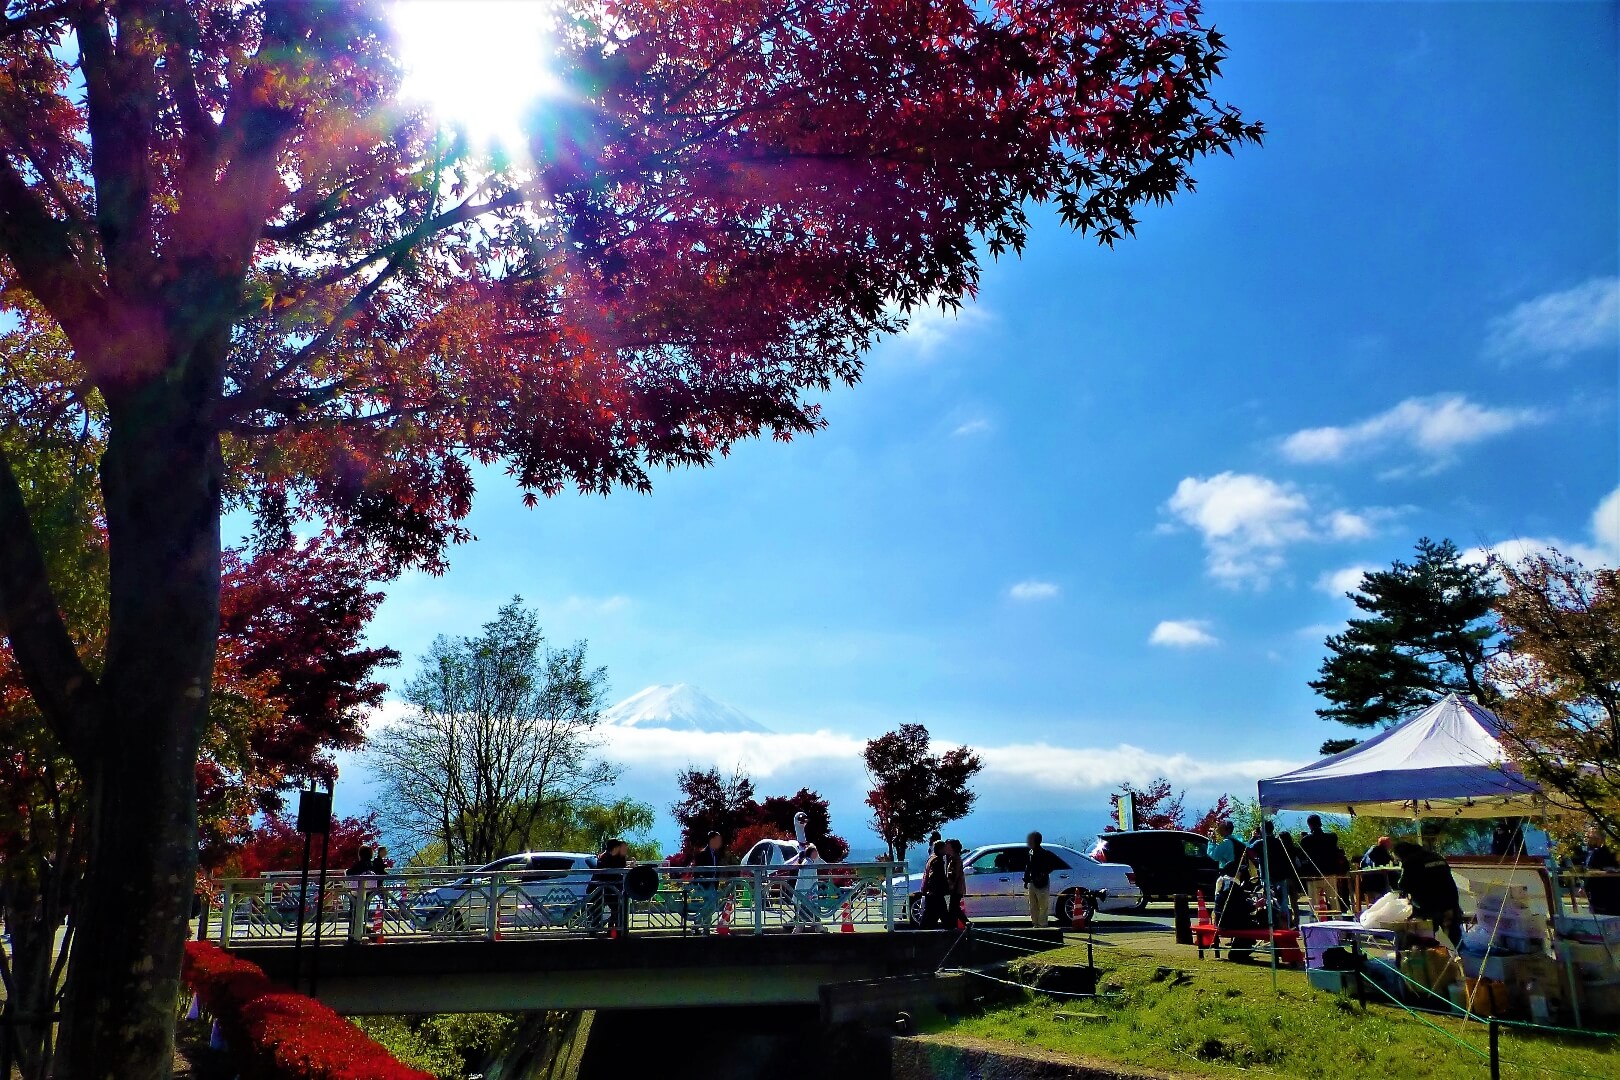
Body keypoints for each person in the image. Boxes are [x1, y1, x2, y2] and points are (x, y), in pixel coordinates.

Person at [1392, 840, 1461, 942]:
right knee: (1452, 932)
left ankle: (1430, 951)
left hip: (1430, 904)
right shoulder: (1436, 856)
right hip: (1451, 900)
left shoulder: (1410, 861)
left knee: (1426, 935)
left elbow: (1403, 884)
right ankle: (1456, 953)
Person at [1023, 831, 1063, 928]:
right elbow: (1028, 867)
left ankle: (1043, 924)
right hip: (1032, 882)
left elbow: (1055, 864)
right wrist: (1026, 879)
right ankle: (1035, 923)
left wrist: (1043, 873)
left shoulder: (1045, 853)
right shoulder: (1030, 853)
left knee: (1043, 905)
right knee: (1033, 905)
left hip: (1042, 882)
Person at [591, 838, 630, 935]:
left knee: (617, 909)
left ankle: (613, 930)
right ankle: (594, 930)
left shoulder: (618, 858)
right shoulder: (604, 857)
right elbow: (605, 873)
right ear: (615, 847)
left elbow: (619, 870)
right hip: (601, 888)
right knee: (599, 909)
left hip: (612, 889)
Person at [690, 831, 726, 934]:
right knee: (708, 906)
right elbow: (697, 871)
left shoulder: (716, 854)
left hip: (713, 884)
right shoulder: (702, 854)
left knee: (709, 906)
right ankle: (702, 927)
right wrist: (697, 884)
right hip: (704, 884)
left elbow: (717, 869)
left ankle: (701, 926)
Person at [1582, 826, 1620, 916]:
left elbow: (1591, 872)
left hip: (1600, 895)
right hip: (1614, 895)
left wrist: (1585, 887)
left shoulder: (1596, 854)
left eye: (1590, 838)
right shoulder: (1613, 853)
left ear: (1599, 839)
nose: (1587, 840)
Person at [918, 840, 954, 929]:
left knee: (930, 913)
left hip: (931, 891)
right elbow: (936, 876)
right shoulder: (937, 861)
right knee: (942, 912)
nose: (946, 850)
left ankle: (923, 932)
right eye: (944, 848)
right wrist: (945, 887)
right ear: (940, 849)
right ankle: (951, 931)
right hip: (936, 892)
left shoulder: (931, 858)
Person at [947, 838, 969, 928]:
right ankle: (954, 926)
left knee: (954, 907)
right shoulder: (955, 857)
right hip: (957, 887)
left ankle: (967, 923)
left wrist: (950, 886)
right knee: (953, 908)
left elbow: (953, 874)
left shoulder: (955, 859)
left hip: (956, 888)